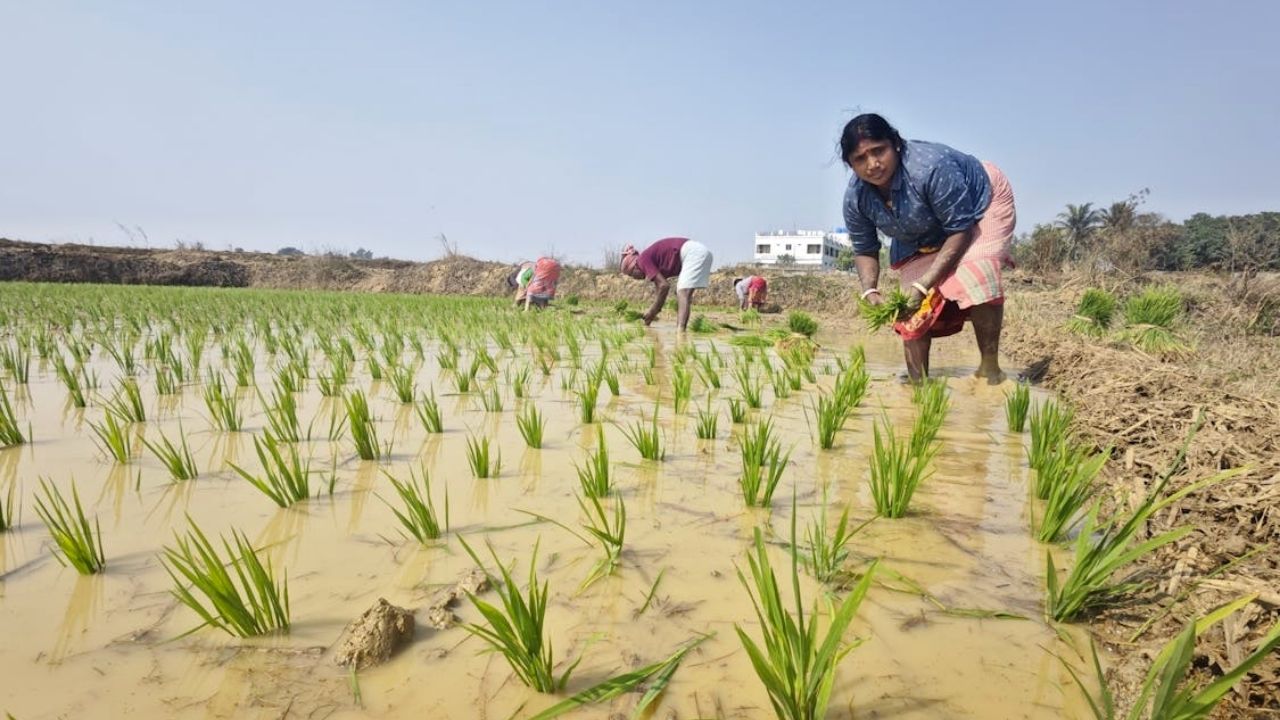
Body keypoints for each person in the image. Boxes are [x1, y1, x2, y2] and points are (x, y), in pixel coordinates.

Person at [840, 113, 1017, 384]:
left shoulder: (931, 167)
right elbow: (865, 249)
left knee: (979, 273)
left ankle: (989, 368)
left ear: (895, 143)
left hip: (978, 205)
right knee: (909, 310)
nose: (873, 164)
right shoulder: (856, 198)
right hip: (921, 230)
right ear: (851, 164)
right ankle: (917, 383)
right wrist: (869, 290)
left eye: (879, 151)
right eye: (860, 159)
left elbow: (960, 229)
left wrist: (924, 284)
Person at [619, 237, 713, 331]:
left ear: (634, 267)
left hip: (693, 253)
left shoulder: (642, 260)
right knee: (685, 294)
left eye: (631, 274)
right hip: (702, 252)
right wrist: (653, 312)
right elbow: (660, 289)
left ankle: (680, 333)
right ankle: (681, 330)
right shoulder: (649, 261)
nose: (634, 278)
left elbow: (664, 286)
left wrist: (653, 311)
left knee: (683, 292)